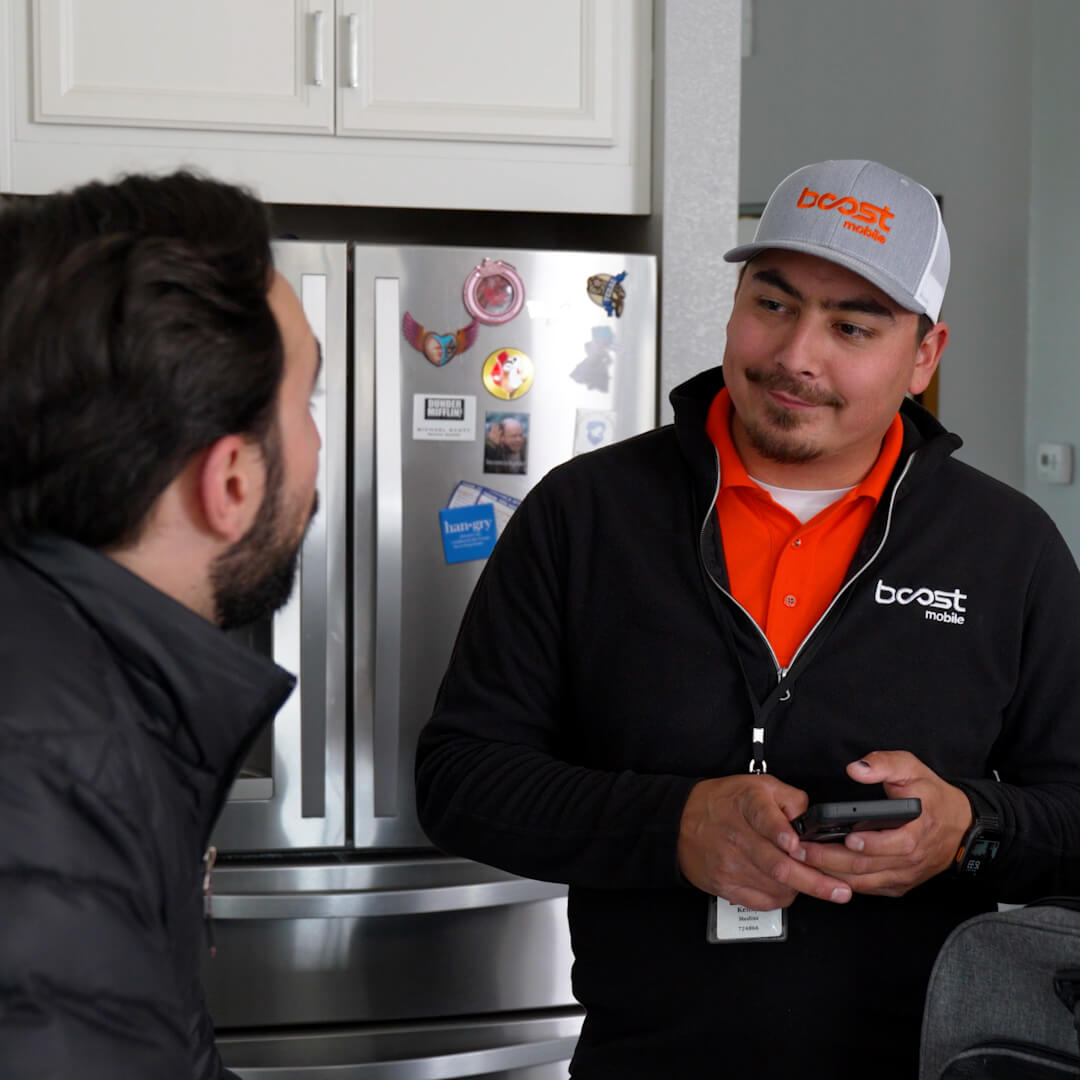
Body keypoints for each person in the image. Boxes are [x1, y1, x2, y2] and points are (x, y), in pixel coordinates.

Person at [415, 159, 1080, 1078]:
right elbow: (461, 781)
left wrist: (968, 828)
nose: (796, 355)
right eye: (773, 303)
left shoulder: (1009, 547)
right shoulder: (587, 514)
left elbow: (1074, 816)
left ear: (924, 356)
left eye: (852, 325)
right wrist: (673, 824)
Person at [0, 171, 321, 1079]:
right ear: (230, 482)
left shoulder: (73, 691)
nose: (318, 448)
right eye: (304, 407)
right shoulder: (52, 779)